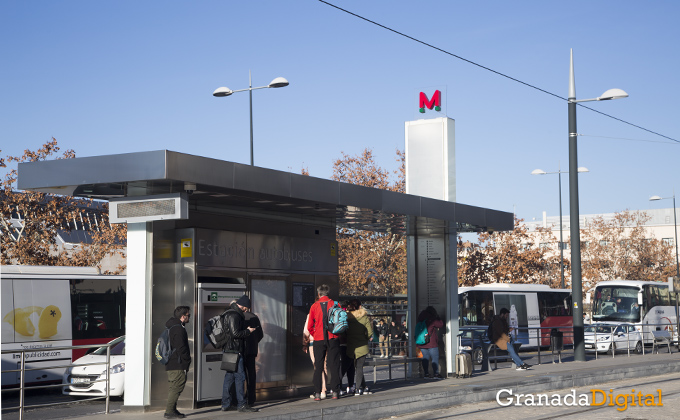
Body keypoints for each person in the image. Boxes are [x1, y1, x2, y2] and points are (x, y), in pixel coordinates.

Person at [219, 295, 258, 413]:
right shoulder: (234, 315)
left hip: (229, 349)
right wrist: (248, 331)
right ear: (242, 305)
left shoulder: (229, 313)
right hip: (234, 350)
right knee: (240, 377)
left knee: (229, 378)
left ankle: (226, 404)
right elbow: (235, 333)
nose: (246, 310)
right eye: (246, 308)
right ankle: (241, 404)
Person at [307, 284, 342, 401]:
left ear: (318, 294)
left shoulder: (314, 306)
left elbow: (309, 326)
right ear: (328, 293)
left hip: (319, 339)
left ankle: (317, 393)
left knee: (319, 366)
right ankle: (335, 392)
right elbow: (341, 322)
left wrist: (315, 333)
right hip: (333, 337)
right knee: (334, 365)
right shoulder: (335, 304)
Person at [164, 306, 191, 419]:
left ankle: (173, 410)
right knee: (176, 387)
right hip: (177, 363)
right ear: (183, 316)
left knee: (174, 387)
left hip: (172, 362)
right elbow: (181, 347)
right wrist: (187, 359)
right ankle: (169, 411)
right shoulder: (178, 329)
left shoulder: (172, 327)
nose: (189, 317)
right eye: (188, 315)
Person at [346, 299, 373, 395]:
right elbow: (369, 332)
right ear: (360, 307)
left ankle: (364, 386)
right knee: (359, 367)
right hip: (362, 346)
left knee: (356, 367)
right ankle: (357, 389)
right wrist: (365, 338)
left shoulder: (347, 317)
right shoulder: (364, 318)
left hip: (350, 346)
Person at [416, 306, 444, 378]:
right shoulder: (432, 319)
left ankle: (426, 374)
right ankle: (436, 374)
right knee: (434, 358)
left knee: (425, 358)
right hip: (431, 343)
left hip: (421, 342)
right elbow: (440, 324)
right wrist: (438, 317)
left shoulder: (420, 318)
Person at [244, 309, 263, 407]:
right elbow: (261, 334)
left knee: (239, 375)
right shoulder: (254, 317)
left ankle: (238, 398)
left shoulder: (238, 316)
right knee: (251, 375)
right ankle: (251, 399)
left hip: (241, 351)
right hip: (252, 350)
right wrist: (254, 342)